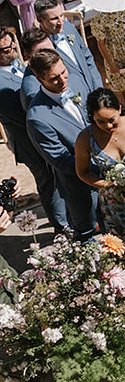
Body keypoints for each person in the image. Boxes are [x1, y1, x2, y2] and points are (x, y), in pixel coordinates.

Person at [25, 49, 98, 239]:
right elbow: (61, 161)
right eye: (54, 78)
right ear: (40, 80)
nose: (63, 80)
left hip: (111, 175)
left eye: (63, 72)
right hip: (81, 188)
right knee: (90, 239)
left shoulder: (76, 81)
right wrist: (101, 167)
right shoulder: (37, 118)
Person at [0, 26, 64, 231]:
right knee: (48, 181)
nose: (11, 50)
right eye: (5, 50)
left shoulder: (16, 64)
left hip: (39, 131)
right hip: (28, 138)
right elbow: (21, 114)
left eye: (12, 45)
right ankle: (61, 226)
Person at [74, 88, 125, 255]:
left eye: (112, 119)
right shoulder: (85, 138)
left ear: (120, 108)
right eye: (100, 121)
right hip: (116, 203)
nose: (107, 126)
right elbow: (83, 172)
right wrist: (110, 185)